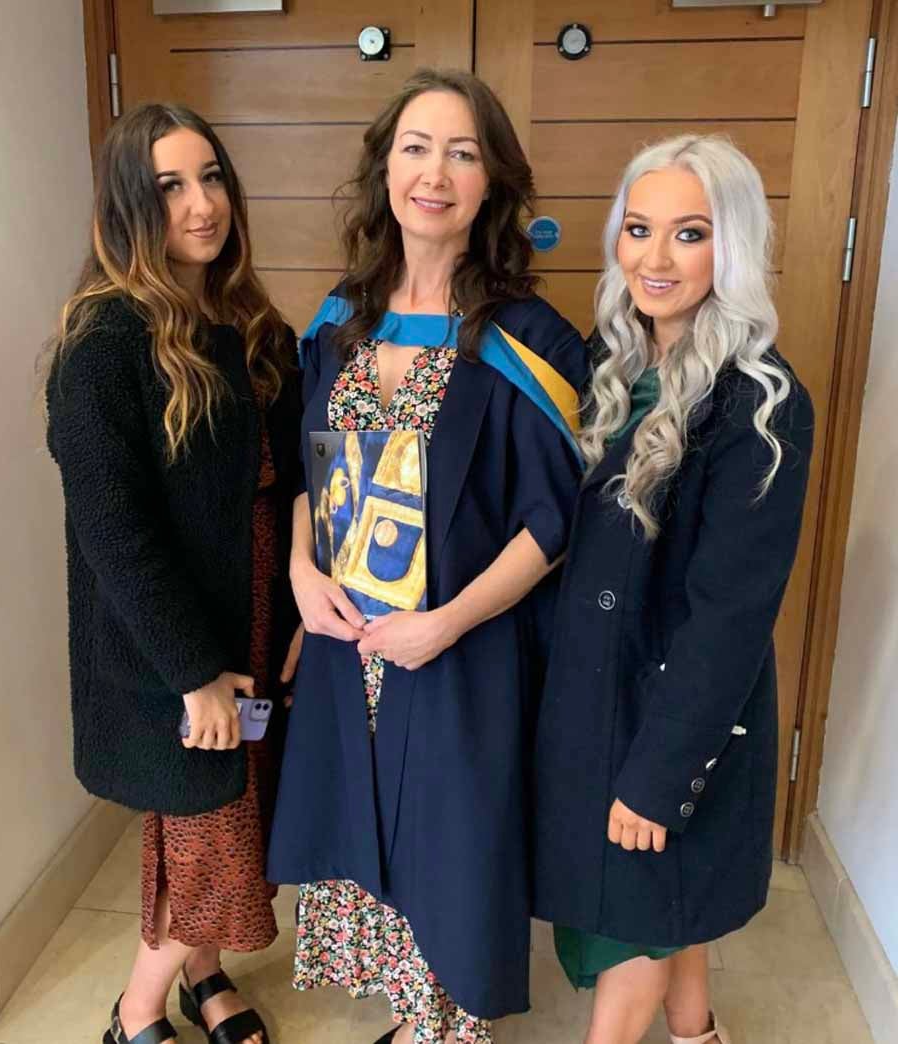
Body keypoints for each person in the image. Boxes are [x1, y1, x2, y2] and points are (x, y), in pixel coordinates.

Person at [266, 69, 587, 1044]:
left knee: (451, 844)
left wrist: (443, 625)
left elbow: (549, 522)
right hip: (347, 643)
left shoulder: (525, 340)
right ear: (385, 168)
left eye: (461, 151)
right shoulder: (340, 319)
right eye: (414, 147)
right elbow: (308, 475)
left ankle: (439, 1028)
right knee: (365, 827)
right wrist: (298, 571)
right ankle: (409, 1019)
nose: (434, 172)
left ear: (491, 181)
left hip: (457, 649)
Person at [532, 135, 815, 1044]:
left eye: (687, 234)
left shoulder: (762, 402)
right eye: (639, 229)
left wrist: (660, 777)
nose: (655, 259)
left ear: (728, 247)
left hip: (674, 712)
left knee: (639, 913)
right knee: (654, 899)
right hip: (591, 697)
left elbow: (730, 616)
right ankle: (698, 1034)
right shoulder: (605, 366)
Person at [43, 103, 301, 1044]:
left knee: (240, 820)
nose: (201, 205)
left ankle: (207, 977)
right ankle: (134, 1013)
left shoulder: (251, 324)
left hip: (264, 610)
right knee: (207, 836)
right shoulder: (104, 342)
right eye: (169, 187)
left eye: (211, 178)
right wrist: (192, 673)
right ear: (127, 205)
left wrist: (307, 595)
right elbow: (115, 532)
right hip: (173, 640)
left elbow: (300, 470)